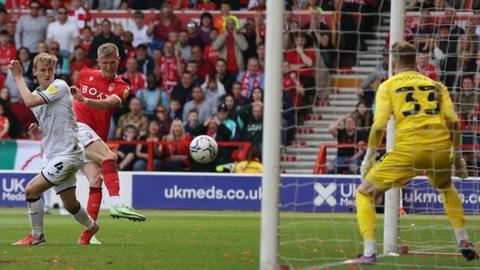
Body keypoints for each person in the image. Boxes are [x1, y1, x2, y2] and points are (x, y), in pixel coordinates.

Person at [352, 41, 478, 264]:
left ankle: (369, 252)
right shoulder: (437, 86)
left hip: (408, 150)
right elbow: (454, 122)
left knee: (364, 193)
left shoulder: (388, 85)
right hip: (439, 148)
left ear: (394, 62)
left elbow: (379, 125)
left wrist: (368, 158)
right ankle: (463, 239)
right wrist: (458, 158)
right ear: (415, 61)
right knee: (446, 187)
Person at [9, 55, 98, 246]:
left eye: (50, 70)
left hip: (68, 153)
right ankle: (92, 227)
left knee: (32, 190)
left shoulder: (60, 86)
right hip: (54, 154)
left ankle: (37, 236)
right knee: (70, 204)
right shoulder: (39, 93)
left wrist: (17, 77)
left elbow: (29, 101)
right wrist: (39, 128)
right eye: (42, 70)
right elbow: (54, 119)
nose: (47, 74)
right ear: (35, 72)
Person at [70, 43, 146, 236]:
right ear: (98, 62)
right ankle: (117, 203)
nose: (109, 67)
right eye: (105, 63)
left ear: (118, 61)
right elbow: (72, 99)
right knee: (109, 157)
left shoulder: (123, 86)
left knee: (96, 180)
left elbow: (107, 104)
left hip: (94, 134)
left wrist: (85, 100)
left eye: (112, 62)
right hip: (78, 127)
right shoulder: (85, 74)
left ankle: (87, 236)